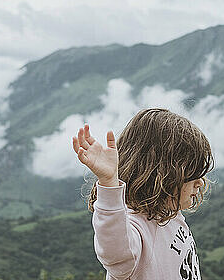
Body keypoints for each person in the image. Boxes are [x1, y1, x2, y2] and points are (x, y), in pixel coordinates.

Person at [72, 107, 215, 280]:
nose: (200, 182)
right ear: (163, 175)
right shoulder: (135, 227)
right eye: (191, 173)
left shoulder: (169, 214)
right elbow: (115, 253)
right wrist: (109, 183)